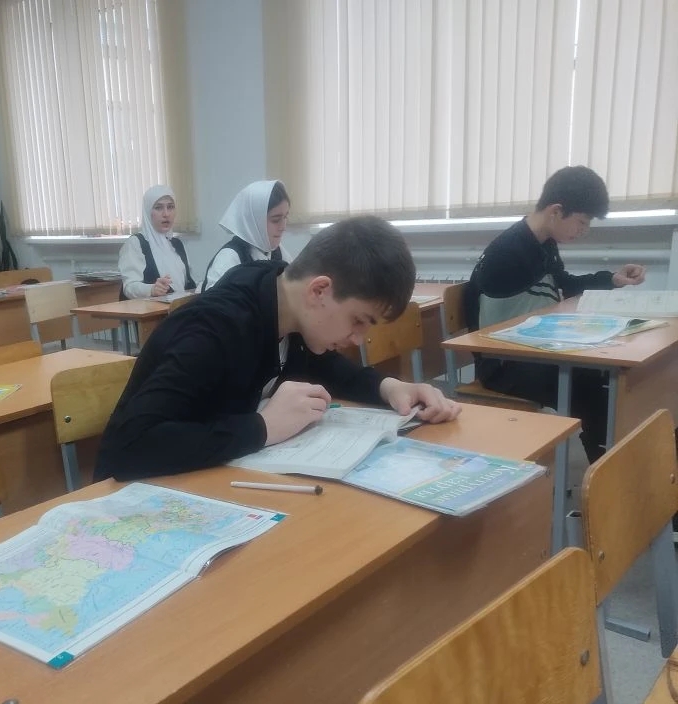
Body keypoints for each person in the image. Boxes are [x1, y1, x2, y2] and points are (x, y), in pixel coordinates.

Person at [95, 216, 461, 481]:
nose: (357, 338)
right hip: (138, 492)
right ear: (319, 290)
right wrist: (263, 427)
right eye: (358, 320)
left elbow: (327, 367)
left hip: (207, 478)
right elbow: (130, 448)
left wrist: (390, 387)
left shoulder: (286, 302)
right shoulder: (213, 330)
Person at [463, 165, 645, 463]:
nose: (584, 231)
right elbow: (494, 331)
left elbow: (563, 285)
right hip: (503, 365)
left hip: (529, 349)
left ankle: (617, 466)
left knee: (608, 377)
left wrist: (612, 278)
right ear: (556, 212)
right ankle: (609, 476)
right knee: (595, 386)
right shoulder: (509, 251)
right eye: (582, 222)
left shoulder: (543, 243)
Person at [200, 180, 291, 291]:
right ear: (253, 221)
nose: (283, 227)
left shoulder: (278, 252)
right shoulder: (229, 259)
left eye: (285, 217)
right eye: (275, 220)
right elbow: (215, 301)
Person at [118, 185, 196, 299]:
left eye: (170, 207)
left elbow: (188, 283)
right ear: (148, 211)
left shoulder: (177, 244)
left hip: (177, 307)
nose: (166, 214)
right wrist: (151, 289)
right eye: (158, 208)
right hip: (146, 308)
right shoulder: (136, 243)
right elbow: (129, 287)